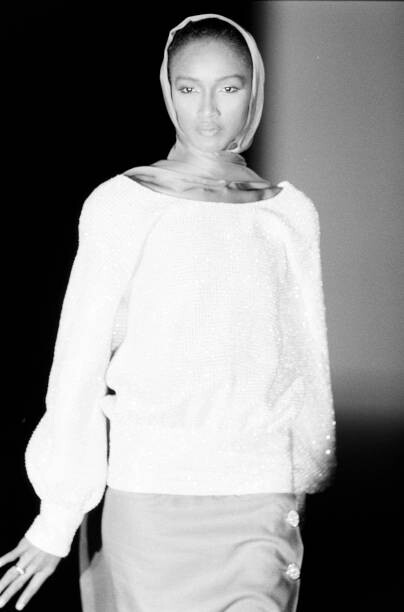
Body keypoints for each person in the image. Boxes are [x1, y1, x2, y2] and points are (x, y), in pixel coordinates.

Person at [0, 13, 336, 612]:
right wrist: (57, 517)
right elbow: (79, 361)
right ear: (168, 91)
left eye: (228, 87)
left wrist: (298, 480)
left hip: (259, 496)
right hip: (151, 499)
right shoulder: (123, 205)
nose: (207, 111)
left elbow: (308, 364)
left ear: (253, 90)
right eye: (189, 88)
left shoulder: (288, 214)